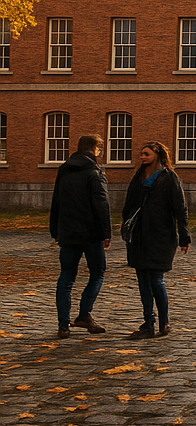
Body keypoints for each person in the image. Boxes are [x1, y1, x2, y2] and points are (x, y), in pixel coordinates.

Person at [122, 141, 191, 339]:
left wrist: (184, 236)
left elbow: (180, 208)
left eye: (146, 154)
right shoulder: (138, 177)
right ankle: (148, 322)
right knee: (143, 280)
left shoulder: (169, 178)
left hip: (161, 236)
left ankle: (164, 320)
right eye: (141, 154)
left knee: (156, 279)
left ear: (157, 154)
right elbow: (129, 204)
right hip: (138, 237)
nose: (142, 157)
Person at [49, 134, 112, 338]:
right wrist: (106, 232)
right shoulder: (94, 171)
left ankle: (62, 325)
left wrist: (55, 229)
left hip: (67, 231)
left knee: (66, 277)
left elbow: (56, 201)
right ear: (95, 149)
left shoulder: (64, 170)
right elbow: (101, 204)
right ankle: (84, 314)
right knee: (98, 272)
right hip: (90, 233)